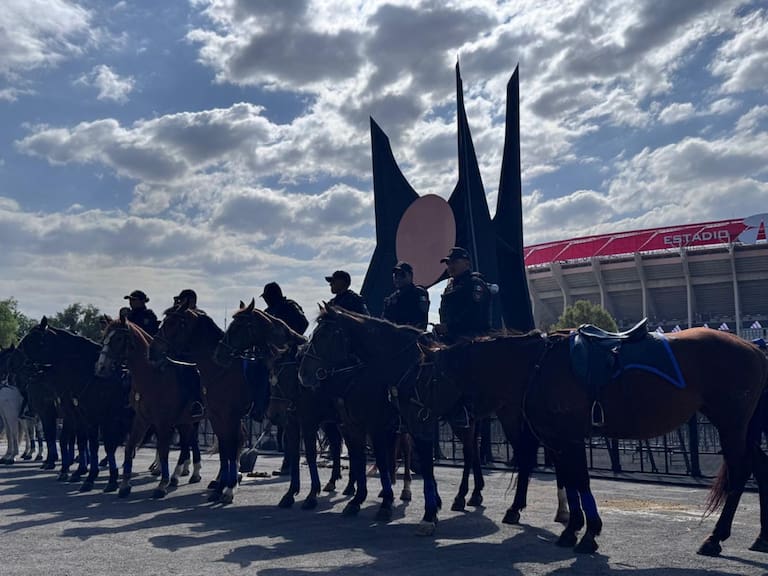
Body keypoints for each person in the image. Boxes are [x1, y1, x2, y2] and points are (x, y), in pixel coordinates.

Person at [433, 247, 491, 343]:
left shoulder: (474, 284)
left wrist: (449, 327)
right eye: (448, 263)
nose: (450, 266)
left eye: (454, 262)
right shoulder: (449, 287)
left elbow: (475, 316)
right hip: (452, 340)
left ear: (467, 263)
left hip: (474, 341)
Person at [170, 288, 204, 419]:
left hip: (193, 355)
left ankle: (196, 402)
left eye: (182, 300)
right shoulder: (179, 315)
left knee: (190, 374)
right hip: (176, 353)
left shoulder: (200, 316)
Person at [382, 262, 429, 330]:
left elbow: (421, 320)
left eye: (402, 274)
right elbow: (385, 321)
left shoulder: (418, 293)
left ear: (410, 276)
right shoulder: (391, 299)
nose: (398, 278)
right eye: (395, 275)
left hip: (413, 336)